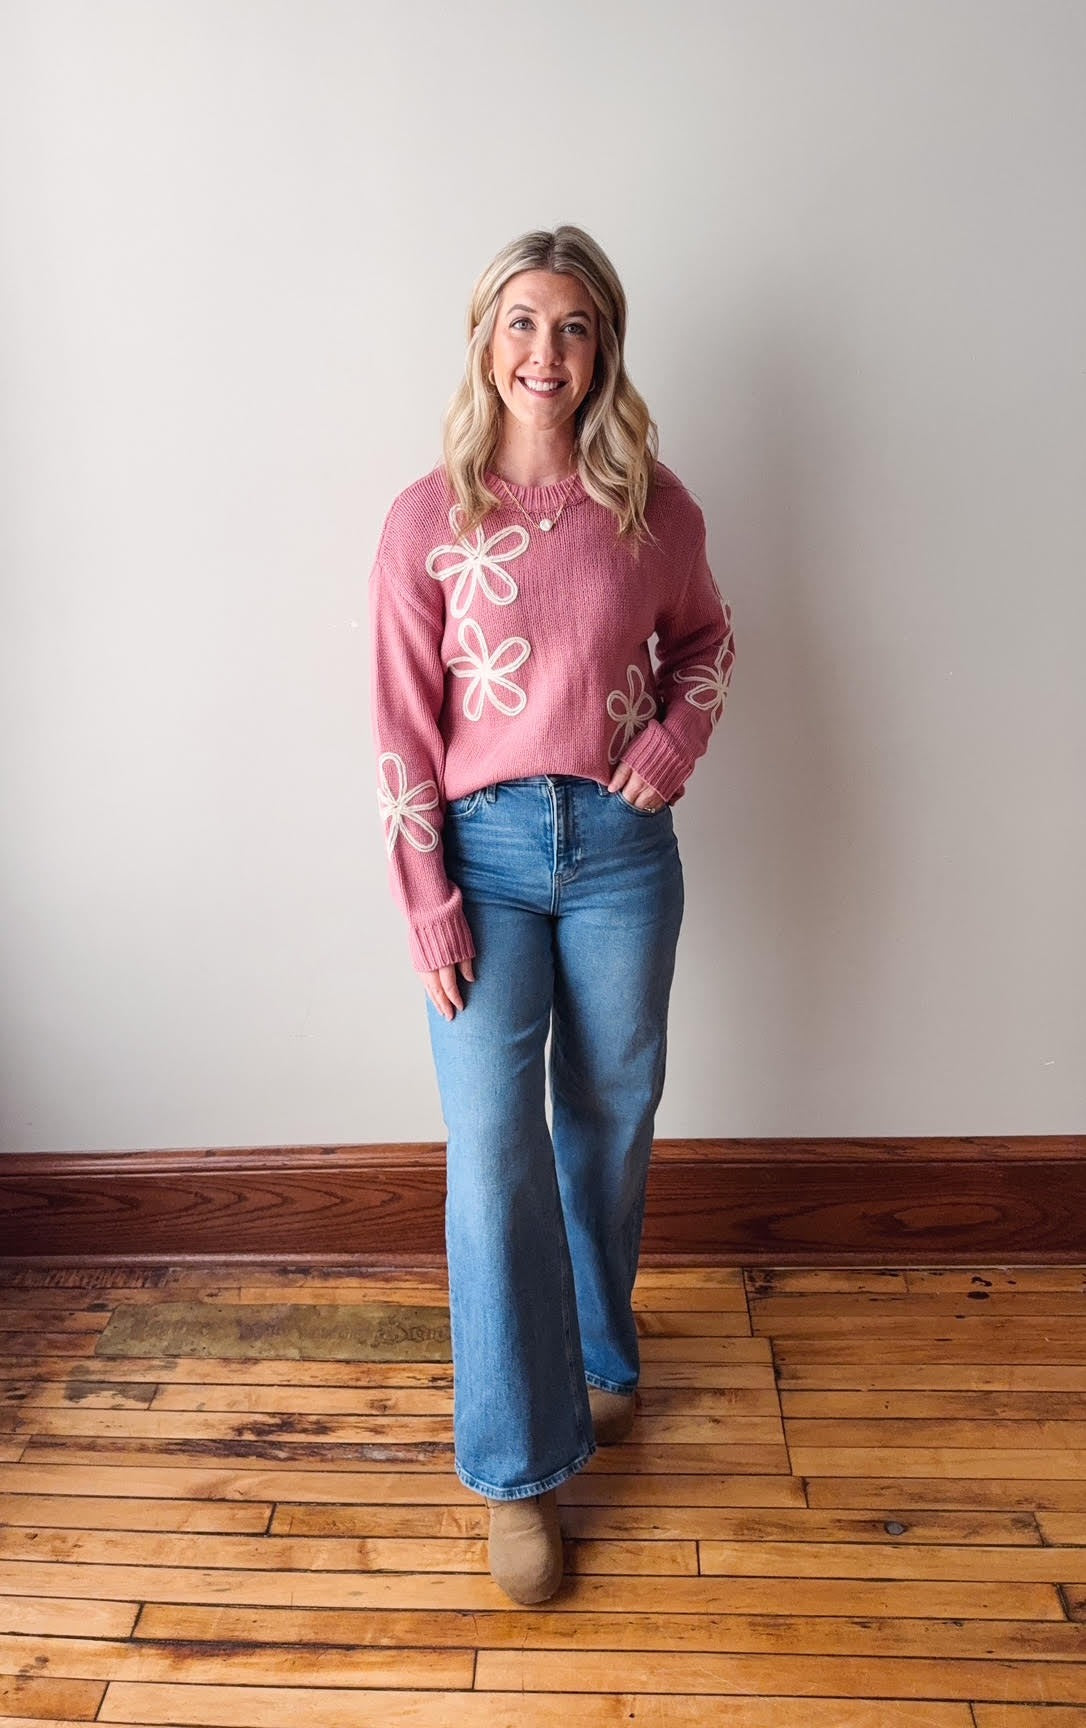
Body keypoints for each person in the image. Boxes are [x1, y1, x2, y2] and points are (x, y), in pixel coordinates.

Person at [368, 224, 734, 1605]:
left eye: (572, 327)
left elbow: (707, 642)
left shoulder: (651, 505)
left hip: (623, 853)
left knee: (608, 1114)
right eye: (521, 323)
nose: (545, 352)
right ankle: (518, 1473)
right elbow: (401, 726)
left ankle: (599, 1351)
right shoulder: (425, 520)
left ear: (603, 350)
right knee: (491, 1155)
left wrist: (668, 753)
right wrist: (426, 903)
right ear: (485, 341)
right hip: (483, 854)